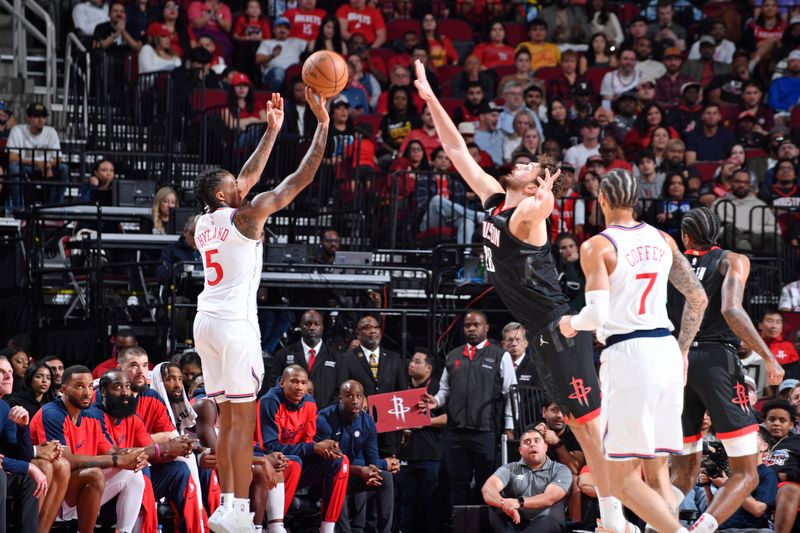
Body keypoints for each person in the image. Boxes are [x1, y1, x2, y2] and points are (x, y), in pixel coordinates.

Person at [414, 58, 637, 533]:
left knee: (590, 430)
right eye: (524, 162)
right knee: (578, 428)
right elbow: (456, 149)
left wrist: (546, 195)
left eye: (530, 166)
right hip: (539, 336)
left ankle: (617, 517)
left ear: (534, 183)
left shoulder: (526, 218)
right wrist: (432, 99)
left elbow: (541, 210)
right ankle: (617, 514)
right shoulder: (496, 199)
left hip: (560, 328)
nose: (522, 162)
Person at [192, 90, 329, 532]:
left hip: (206, 321)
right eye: (234, 184)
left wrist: (271, 131)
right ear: (222, 192)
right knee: (241, 422)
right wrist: (322, 126)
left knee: (229, 419)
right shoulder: (246, 219)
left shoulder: (204, 223)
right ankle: (232, 509)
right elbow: (298, 180)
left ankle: (228, 508)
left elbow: (246, 179)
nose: (242, 185)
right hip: (234, 326)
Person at [557, 169, 708, 533]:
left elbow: (596, 315)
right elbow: (698, 298)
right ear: (636, 200)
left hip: (630, 355)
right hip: (667, 352)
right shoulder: (663, 240)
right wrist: (683, 351)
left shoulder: (597, 246)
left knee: (622, 479)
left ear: (602, 200)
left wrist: (569, 323)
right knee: (657, 475)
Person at [668, 207, 784, 533]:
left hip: (678, 363)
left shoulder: (671, 263)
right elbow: (731, 309)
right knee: (747, 472)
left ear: (685, 236)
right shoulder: (732, 259)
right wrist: (769, 358)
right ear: (717, 233)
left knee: (682, 472)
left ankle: (655, 527)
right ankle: (700, 531)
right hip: (716, 361)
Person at [30, 366, 149, 533]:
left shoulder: (91, 415)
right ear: (64, 389)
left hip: (77, 493)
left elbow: (110, 451)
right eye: (79, 386)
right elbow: (66, 460)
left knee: (133, 473)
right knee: (93, 473)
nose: (87, 392)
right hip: (50, 493)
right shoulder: (52, 413)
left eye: (89, 386)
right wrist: (117, 460)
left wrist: (134, 457)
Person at [420, 311, 517, 507]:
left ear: (486, 327)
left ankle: (484, 527)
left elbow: (511, 394)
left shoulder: (500, 355)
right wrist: (436, 402)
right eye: (467, 325)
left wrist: (509, 426)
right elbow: (445, 390)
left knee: (486, 483)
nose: (471, 329)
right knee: (458, 485)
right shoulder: (453, 355)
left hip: (485, 431)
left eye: (476, 325)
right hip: (455, 432)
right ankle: (461, 526)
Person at [256, 365, 349, 533]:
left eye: (303, 383)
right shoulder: (269, 402)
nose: (299, 387)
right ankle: (273, 525)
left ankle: (327, 528)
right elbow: (269, 447)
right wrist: (313, 447)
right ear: (282, 383)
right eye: (294, 382)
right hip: (265, 463)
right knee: (293, 463)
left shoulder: (309, 403)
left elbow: (309, 440)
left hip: (296, 461)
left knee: (340, 461)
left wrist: (326, 448)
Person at [317, 380, 400, 533]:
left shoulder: (367, 421)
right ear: (340, 399)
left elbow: (373, 460)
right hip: (324, 476)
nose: (355, 401)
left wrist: (386, 465)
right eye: (349, 396)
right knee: (338, 475)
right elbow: (330, 461)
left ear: (364, 399)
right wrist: (361, 471)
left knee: (386, 477)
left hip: (351, 474)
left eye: (359, 396)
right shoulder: (324, 418)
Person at [336, 315, 407, 457]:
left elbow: (402, 392)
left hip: (389, 430)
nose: (373, 330)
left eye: (375, 327)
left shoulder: (394, 358)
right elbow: (341, 390)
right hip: (358, 425)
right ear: (358, 333)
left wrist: (406, 427)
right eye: (367, 327)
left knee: (387, 473)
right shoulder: (346, 358)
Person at [481, 428, 573, 533]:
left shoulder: (560, 470)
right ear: (520, 450)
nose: (532, 444)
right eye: (527, 442)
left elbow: (549, 498)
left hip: (545, 523)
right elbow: (488, 489)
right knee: (494, 508)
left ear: (545, 447)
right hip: (515, 522)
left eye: (537, 440)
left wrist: (519, 502)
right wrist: (505, 506)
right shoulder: (510, 468)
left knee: (548, 521)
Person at [397, 349, 446, 532]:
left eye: (417, 362)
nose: (411, 364)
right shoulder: (401, 385)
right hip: (406, 453)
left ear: (428, 368)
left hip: (431, 454)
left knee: (431, 501)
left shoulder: (437, 390)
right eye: (411, 361)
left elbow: (448, 418)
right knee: (406, 500)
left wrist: (424, 421)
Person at [267, 309, 341, 408]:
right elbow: (275, 386)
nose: (312, 327)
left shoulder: (336, 357)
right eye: (307, 324)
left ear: (322, 327)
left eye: (316, 324)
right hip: (290, 414)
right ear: (300, 326)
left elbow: (340, 390)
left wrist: (326, 414)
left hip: (325, 417)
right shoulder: (283, 354)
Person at [6, 103, 69, 210]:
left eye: (43, 117)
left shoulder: (51, 131)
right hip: (26, 167)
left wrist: (48, 165)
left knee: (63, 168)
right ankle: (20, 209)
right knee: (14, 168)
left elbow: (58, 158)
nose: (41, 120)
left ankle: (54, 209)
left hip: (47, 168)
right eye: (37, 116)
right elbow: (12, 158)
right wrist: (37, 163)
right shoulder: (17, 130)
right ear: (29, 118)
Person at [760, 399, 800, 533]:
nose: (776, 423)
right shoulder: (756, 439)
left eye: (782, 420)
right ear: (765, 422)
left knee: (790, 489)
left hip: (784, 486)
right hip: (756, 484)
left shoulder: (797, 442)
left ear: (791, 425)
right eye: (772, 419)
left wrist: (785, 475)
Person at [255, 17, 307, 92]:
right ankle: (276, 100)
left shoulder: (297, 42)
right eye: (279, 27)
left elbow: (312, 45)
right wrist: (272, 55)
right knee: (279, 72)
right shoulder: (267, 43)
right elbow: (258, 60)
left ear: (289, 31)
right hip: (273, 74)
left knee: (296, 72)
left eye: (285, 28)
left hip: (293, 74)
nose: (282, 30)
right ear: (274, 30)